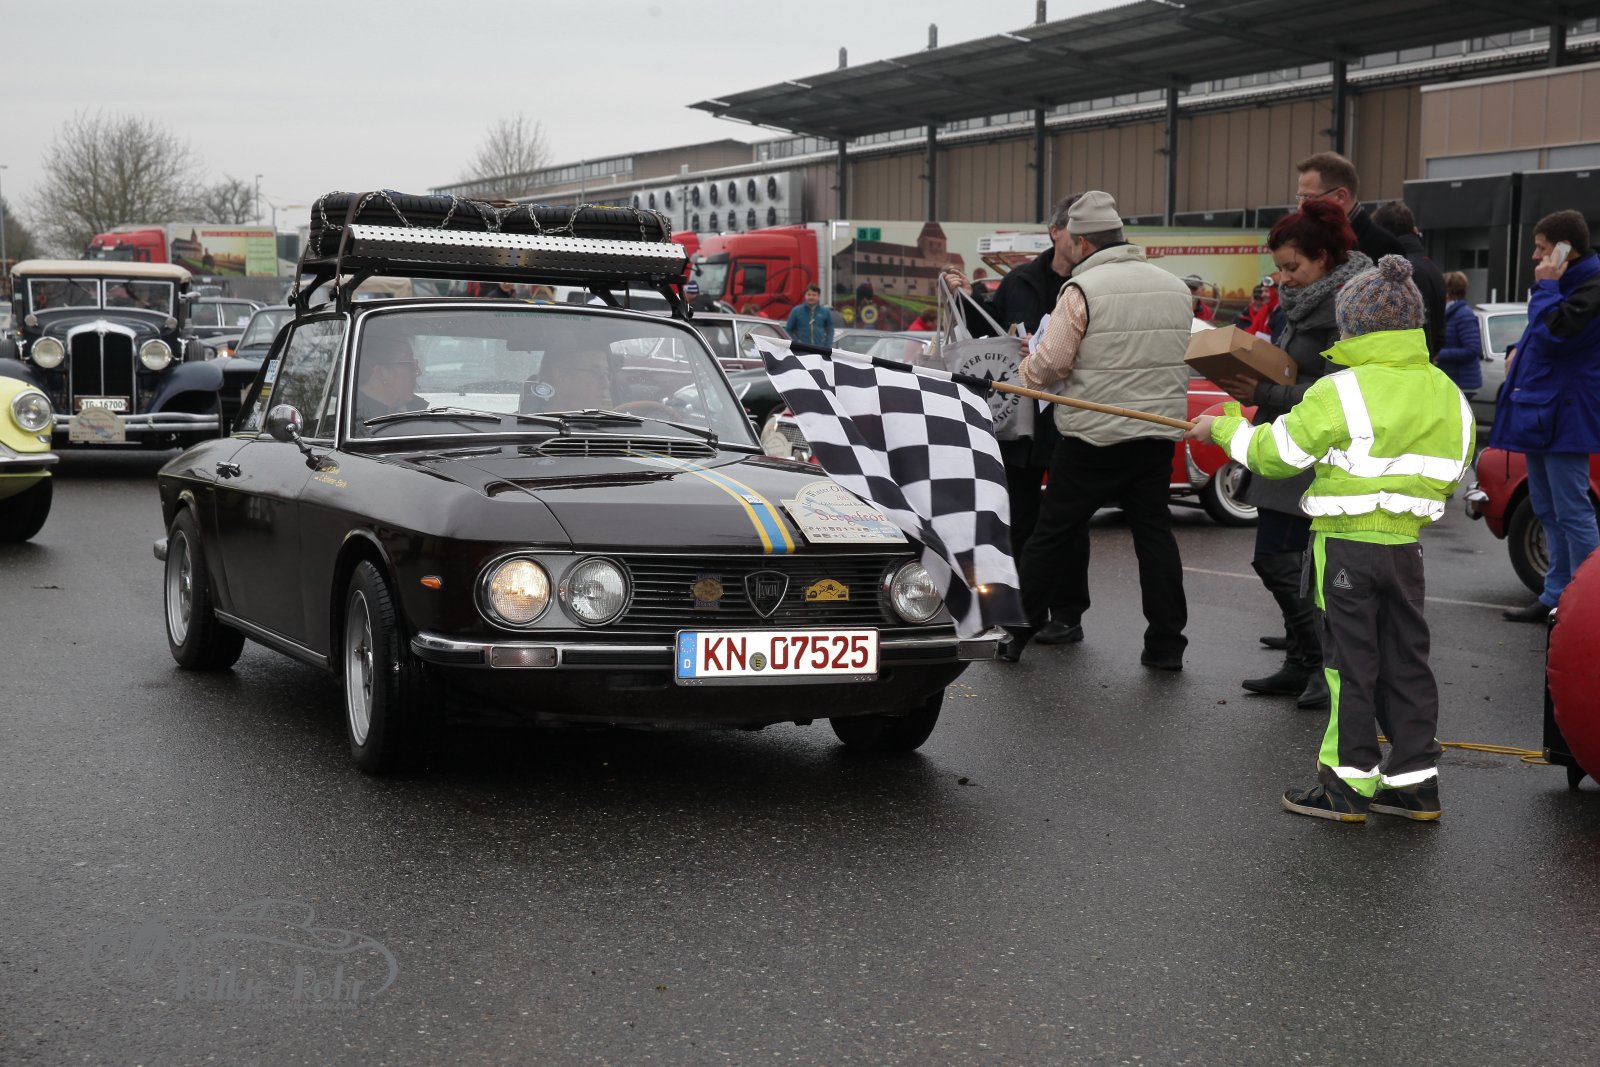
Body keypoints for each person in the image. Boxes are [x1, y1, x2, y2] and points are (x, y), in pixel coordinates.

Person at [1188, 255, 1475, 822]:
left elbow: (1277, 454)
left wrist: (1223, 426)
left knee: (1348, 665)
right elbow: (1458, 465)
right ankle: (1414, 783)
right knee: (1406, 662)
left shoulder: (1340, 390)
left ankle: (1346, 784)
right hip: (1406, 549)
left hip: (1345, 547)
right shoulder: (1446, 391)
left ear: (1354, 328)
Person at [995, 190, 1193, 669]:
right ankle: (1166, 645)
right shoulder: (1175, 287)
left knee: (1051, 534)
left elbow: (1051, 364)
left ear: (1082, 242)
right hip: (1155, 433)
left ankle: (1015, 634)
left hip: (1091, 436)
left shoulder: (1081, 290)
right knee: (1155, 539)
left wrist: (1025, 370)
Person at [1218, 200, 1371, 710]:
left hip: (1315, 449)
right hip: (1286, 441)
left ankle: (1323, 664)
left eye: (1292, 266)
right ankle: (1302, 661)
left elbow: (1340, 391)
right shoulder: (1305, 298)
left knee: (1283, 560)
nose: (1284, 278)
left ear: (1324, 257)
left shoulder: (1348, 307)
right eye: (1280, 267)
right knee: (1284, 560)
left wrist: (1264, 393)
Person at [941, 194, 1080, 644]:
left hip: (1072, 414)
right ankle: (1021, 609)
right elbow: (988, 329)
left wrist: (1051, 348)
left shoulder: (1090, 281)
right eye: (1076, 230)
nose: (1083, 240)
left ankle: (1068, 614)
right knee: (1019, 519)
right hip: (1021, 419)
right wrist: (964, 298)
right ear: (1055, 232)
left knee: (1069, 521)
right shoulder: (1020, 280)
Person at [1492, 210, 1600, 622]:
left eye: (1541, 248)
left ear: (1564, 249)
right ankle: (1556, 595)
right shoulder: (1567, 285)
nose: (1536, 257)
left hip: (1567, 417)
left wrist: (1547, 287)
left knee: (1572, 510)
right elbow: (1542, 335)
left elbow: (1557, 335)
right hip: (1543, 413)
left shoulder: (1589, 287)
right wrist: (1516, 350)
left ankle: (1588, 603)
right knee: (1547, 508)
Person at [1294, 152, 1405, 267]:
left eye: (1309, 197)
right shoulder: (1308, 241)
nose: (1300, 207)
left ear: (1340, 196)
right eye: (1300, 197)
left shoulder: (1385, 248)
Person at [1373, 200, 1447, 359]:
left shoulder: (1398, 273)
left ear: (1382, 232)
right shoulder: (1432, 268)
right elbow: (1440, 335)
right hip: (1424, 363)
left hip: (1401, 365)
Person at [355, 343, 427, 426]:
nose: (418, 372)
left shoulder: (417, 410)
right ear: (381, 373)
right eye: (410, 364)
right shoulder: (356, 423)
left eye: (415, 363)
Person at [1437, 271, 1483, 397]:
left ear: (1448, 291)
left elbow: (1472, 349)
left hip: (1462, 382)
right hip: (1454, 380)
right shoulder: (1450, 312)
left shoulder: (1463, 314)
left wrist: (1439, 355)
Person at [537, 350, 615, 410]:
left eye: (607, 374)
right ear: (561, 377)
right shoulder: (535, 424)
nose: (606, 384)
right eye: (595, 372)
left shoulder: (614, 421)